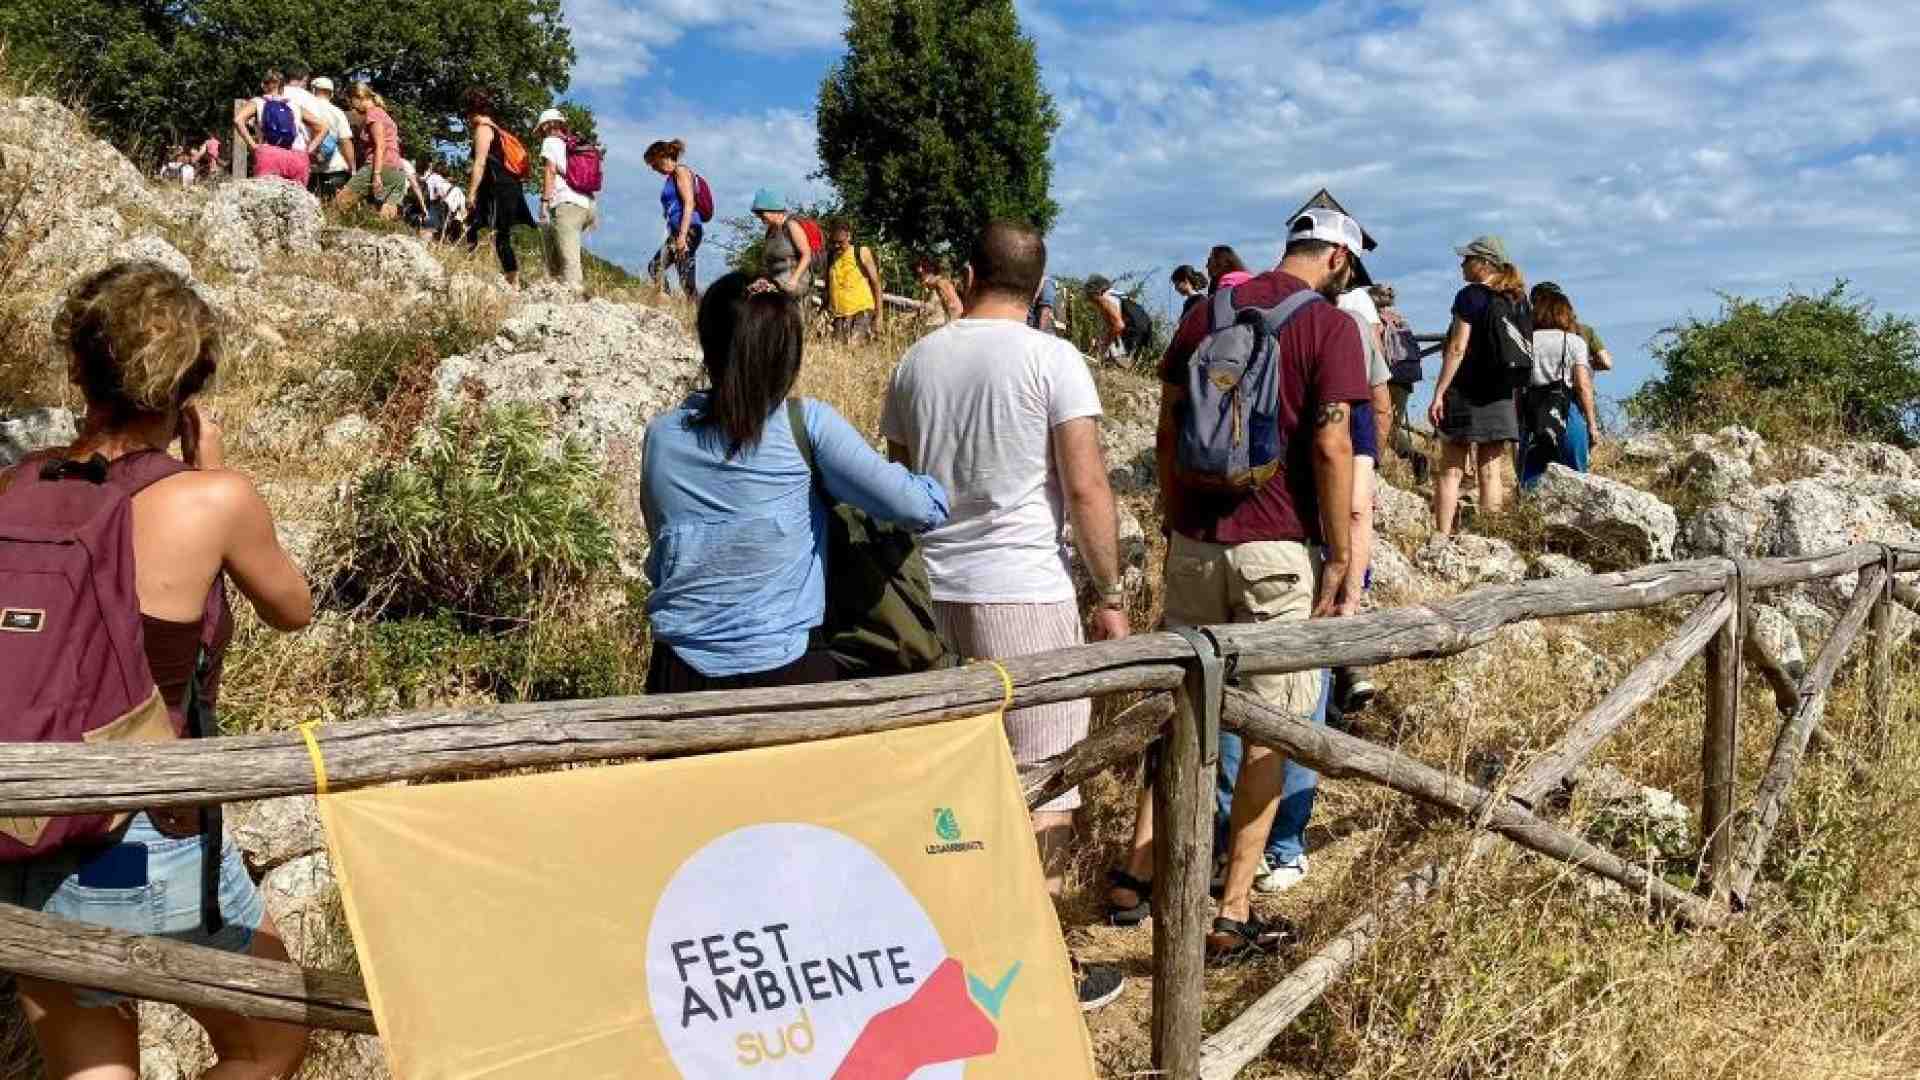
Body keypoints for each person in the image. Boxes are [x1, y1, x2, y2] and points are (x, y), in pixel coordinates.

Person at [0, 261, 313, 1080]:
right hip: (149, 837)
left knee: (94, 1070)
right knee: (272, 1038)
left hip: (24, 834)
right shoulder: (211, 500)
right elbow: (294, 608)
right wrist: (211, 472)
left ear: (80, 367)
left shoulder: (15, 486)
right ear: (191, 380)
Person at [1107, 207, 1368, 960]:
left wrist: (1173, 517)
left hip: (1194, 541)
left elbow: (1165, 424)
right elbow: (1329, 439)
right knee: (1266, 726)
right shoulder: (1328, 326)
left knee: (1180, 707)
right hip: (1278, 549)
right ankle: (1232, 909)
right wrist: (1341, 553)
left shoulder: (1207, 310)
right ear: (1340, 262)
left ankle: (1137, 871)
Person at [882, 221, 1129, 1012]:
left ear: (967, 272)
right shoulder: (1054, 359)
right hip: (1021, 587)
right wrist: (1111, 593)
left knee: (951, 775)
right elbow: (1087, 487)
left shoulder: (918, 360)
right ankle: (1034, 962)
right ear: (1041, 285)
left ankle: (946, 941)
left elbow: (896, 478)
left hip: (928, 589)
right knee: (1046, 779)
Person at [641, 273, 948, 691]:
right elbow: (915, 508)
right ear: (788, 354)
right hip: (786, 671)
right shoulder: (807, 425)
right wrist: (934, 486)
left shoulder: (662, 436)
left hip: (677, 673)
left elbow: (660, 531)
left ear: (707, 342)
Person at [1429, 235, 1528, 535]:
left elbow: (1457, 347)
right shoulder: (1518, 298)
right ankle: (1490, 538)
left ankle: (1442, 538)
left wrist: (1439, 392)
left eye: (1467, 259)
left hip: (1465, 392)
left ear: (1484, 263)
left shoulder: (1469, 296)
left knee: (1451, 470)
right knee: (1491, 471)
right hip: (1500, 392)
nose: (1462, 264)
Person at [1519, 287, 1599, 486]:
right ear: (1564, 314)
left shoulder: (1524, 342)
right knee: (1576, 478)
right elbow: (1582, 386)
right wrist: (1591, 424)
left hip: (1531, 414)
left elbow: (1516, 386)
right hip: (1566, 410)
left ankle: (1530, 514)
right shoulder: (1573, 342)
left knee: (1530, 476)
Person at [460, 88, 538, 287]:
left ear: (470, 111)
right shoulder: (496, 128)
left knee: (496, 235)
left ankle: (512, 283)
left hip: (498, 189)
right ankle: (505, 279)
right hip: (507, 187)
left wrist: (471, 194)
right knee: (480, 228)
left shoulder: (483, 130)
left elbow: (480, 163)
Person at [534, 109, 596, 292]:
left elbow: (550, 171)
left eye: (542, 128)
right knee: (555, 251)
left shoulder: (550, 142)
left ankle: (575, 302)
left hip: (566, 204)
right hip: (586, 205)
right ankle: (556, 293)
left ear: (547, 125)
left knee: (569, 261)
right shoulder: (574, 146)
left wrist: (544, 202)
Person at [1374, 284, 1429, 482]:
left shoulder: (1375, 318)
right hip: (1404, 379)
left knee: (1380, 425)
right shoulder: (1400, 320)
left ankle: (1374, 471)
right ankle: (1415, 457)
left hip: (1384, 378)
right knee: (1391, 427)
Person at [234, 69, 325, 186]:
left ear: (263, 85)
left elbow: (238, 120)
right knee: (297, 201)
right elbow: (322, 126)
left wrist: (254, 147)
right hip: (297, 158)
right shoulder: (294, 105)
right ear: (283, 86)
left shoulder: (258, 102)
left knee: (267, 200)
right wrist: (309, 149)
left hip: (268, 155)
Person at [645, 139, 705, 301]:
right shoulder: (672, 177)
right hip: (680, 230)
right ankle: (668, 301)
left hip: (688, 229)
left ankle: (698, 313)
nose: (653, 168)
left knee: (684, 280)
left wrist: (682, 236)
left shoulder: (681, 171)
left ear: (662, 156)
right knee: (657, 268)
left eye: (654, 164)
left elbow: (689, 203)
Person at [339, 82, 408, 219]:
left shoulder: (373, 114)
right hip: (398, 171)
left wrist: (376, 174)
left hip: (380, 166)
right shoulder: (384, 115)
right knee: (385, 218)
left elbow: (380, 145)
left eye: (351, 102)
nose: (352, 107)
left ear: (358, 97)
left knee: (341, 203)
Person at [824, 220, 884, 342]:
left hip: (862, 310)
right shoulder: (831, 257)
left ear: (849, 236)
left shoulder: (861, 252)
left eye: (840, 242)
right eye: (833, 242)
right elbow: (828, 286)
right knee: (839, 352)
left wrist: (879, 315)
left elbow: (876, 283)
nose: (837, 246)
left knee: (854, 346)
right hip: (839, 314)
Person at [1533, 281, 1614, 372]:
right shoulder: (1584, 330)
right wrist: (1583, 363)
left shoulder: (1530, 333)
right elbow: (1606, 362)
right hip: (1579, 383)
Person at [750, 189, 814, 299]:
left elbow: (806, 255)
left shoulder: (791, 226)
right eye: (758, 214)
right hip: (775, 279)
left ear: (774, 209)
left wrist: (794, 280)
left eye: (761, 213)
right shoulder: (770, 232)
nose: (760, 217)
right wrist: (762, 279)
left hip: (795, 278)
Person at [305, 76, 357, 199]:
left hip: (310, 169)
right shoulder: (337, 112)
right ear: (331, 94)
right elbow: (346, 141)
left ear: (312, 90)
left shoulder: (304, 109)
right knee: (333, 210)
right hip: (335, 169)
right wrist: (352, 168)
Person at [1084, 276, 1149, 363]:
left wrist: (1105, 343)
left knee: (1117, 361)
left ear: (1095, 292)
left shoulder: (1104, 299)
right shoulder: (1115, 294)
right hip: (1142, 329)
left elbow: (1118, 325)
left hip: (1132, 332)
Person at [914, 257, 963, 323]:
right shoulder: (929, 287)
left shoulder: (941, 283)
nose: (920, 280)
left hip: (943, 326)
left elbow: (955, 307)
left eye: (921, 275)